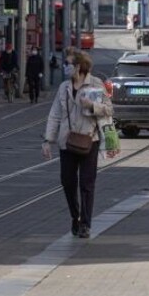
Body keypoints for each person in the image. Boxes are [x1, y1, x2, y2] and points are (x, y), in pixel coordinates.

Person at [42, 52, 117, 238]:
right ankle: (75, 216)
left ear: (78, 66)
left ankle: (85, 224)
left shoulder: (96, 84)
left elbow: (109, 109)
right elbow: (55, 115)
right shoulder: (64, 87)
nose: (65, 67)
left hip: (88, 139)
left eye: (68, 64)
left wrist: (92, 105)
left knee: (87, 184)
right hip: (67, 141)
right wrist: (47, 140)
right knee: (67, 182)